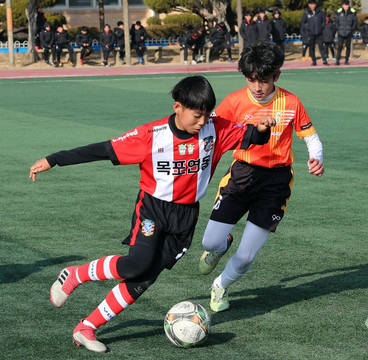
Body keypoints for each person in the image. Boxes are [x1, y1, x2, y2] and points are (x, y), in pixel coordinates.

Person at [29, 76, 275, 353]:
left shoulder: (214, 128)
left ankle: (86, 327)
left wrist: (262, 129)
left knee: (144, 279)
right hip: (153, 210)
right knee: (137, 264)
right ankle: (75, 274)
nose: (202, 121)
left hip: (186, 217)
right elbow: (103, 149)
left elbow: (251, 137)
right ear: (177, 107)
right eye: (196, 115)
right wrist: (54, 159)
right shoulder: (151, 136)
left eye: (207, 114)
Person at [197, 42, 325, 313]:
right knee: (209, 242)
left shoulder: (291, 102)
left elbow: (310, 135)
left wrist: (317, 157)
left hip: (276, 183)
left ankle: (220, 286)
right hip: (241, 175)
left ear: (276, 76)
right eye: (251, 79)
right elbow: (212, 132)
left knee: (245, 257)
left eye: (264, 80)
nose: (257, 86)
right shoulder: (234, 101)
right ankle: (221, 247)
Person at [301, 0, 328, 66]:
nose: (313, 6)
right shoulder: (306, 13)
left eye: (314, 4)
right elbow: (303, 22)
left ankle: (324, 60)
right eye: (312, 4)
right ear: (309, 5)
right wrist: (307, 28)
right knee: (311, 48)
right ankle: (314, 61)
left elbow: (324, 20)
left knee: (321, 47)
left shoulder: (320, 12)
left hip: (319, 33)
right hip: (311, 34)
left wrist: (322, 27)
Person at [335, 0, 357, 65]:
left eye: (347, 5)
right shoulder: (339, 12)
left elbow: (355, 22)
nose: (345, 6)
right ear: (342, 5)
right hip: (341, 32)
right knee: (339, 47)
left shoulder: (352, 12)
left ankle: (346, 60)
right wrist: (338, 28)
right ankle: (337, 60)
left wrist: (352, 29)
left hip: (348, 32)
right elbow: (336, 22)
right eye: (344, 5)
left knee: (348, 47)